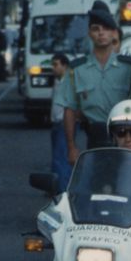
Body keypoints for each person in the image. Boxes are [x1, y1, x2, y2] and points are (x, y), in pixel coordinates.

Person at [60, 0, 131, 157]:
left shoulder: (129, 67)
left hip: (127, 138)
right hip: (94, 138)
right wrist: (71, 147)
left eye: (106, 29)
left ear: (114, 33)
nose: (101, 33)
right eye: (96, 29)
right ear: (89, 33)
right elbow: (70, 110)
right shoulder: (76, 69)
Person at [48, 53, 72, 193]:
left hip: (64, 123)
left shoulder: (69, 82)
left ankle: (61, 188)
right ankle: (57, 184)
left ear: (64, 65)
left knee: (60, 157)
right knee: (58, 156)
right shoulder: (58, 81)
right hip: (56, 122)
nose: (53, 68)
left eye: (56, 64)